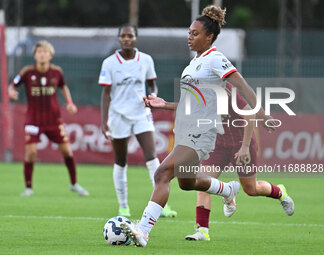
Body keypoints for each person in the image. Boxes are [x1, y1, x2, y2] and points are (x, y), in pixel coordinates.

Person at [119, 5, 293, 248]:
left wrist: (262, 115)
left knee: (162, 174)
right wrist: (164, 104)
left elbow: (243, 87)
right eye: (189, 32)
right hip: (187, 130)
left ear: (209, 36)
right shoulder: (193, 65)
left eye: (195, 33)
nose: (189, 37)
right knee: (186, 182)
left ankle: (143, 231)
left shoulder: (216, 59)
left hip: (202, 134)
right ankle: (227, 190)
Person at [185, 82, 295, 241]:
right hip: (218, 145)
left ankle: (280, 192)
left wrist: (244, 147)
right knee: (203, 183)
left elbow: (249, 114)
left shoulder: (226, 90)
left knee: (251, 189)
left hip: (241, 143)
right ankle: (202, 231)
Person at [98, 24, 177, 218]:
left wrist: (153, 96)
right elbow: (106, 93)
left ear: (136, 38)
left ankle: (161, 206)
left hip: (141, 115)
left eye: (130, 35)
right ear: (119, 38)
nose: (126, 39)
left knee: (152, 158)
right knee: (120, 161)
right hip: (118, 116)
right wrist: (104, 120)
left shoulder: (146, 60)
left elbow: (152, 84)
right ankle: (123, 206)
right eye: (123, 36)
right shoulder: (109, 63)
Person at [8, 40, 89, 197]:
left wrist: (70, 103)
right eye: (39, 52)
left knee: (66, 151)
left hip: (53, 121)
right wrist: (11, 91)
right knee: (30, 152)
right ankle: (28, 188)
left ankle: (74, 184)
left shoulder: (57, 72)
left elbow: (63, 87)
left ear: (50, 55)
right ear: (35, 55)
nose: (42, 54)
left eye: (45, 52)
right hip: (33, 120)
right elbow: (12, 85)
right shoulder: (27, 72)